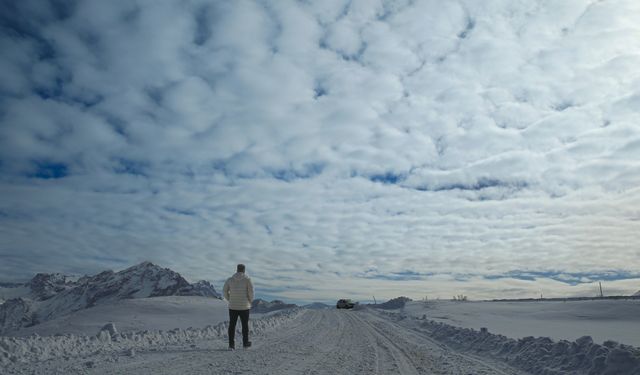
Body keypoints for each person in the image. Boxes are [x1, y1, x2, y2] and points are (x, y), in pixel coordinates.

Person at [223, 263, 254, 350]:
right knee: (245, 326)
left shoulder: (230, 280)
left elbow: (224, 291)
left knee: (232, 325)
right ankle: (245, 343)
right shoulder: (247, 279)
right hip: (244, 307)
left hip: (232, 306)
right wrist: (250, 301)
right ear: (244, 270)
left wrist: (229, 299)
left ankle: (231, 345)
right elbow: (251, 292)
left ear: (237, 269)